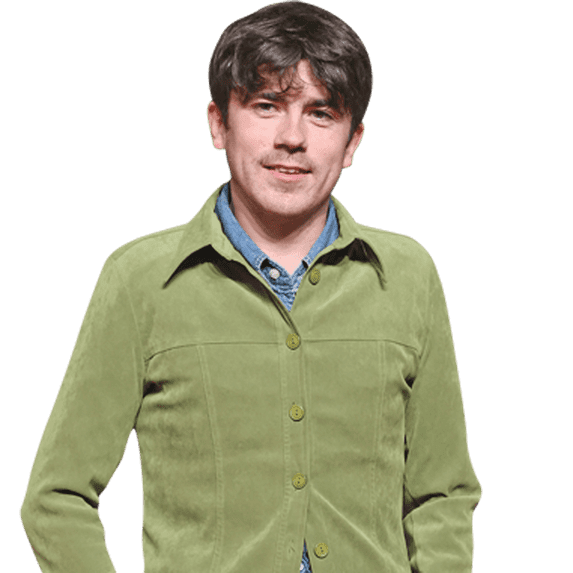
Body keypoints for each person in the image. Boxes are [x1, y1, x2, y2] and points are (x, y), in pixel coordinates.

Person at [20, 1, 481, 572]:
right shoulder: (140, 280)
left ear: (353, 141)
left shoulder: (410, 276)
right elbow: (57, 498)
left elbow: (443, 494)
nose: (292, 138)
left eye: (321, 113)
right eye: (267, 105)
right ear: (219, 123)